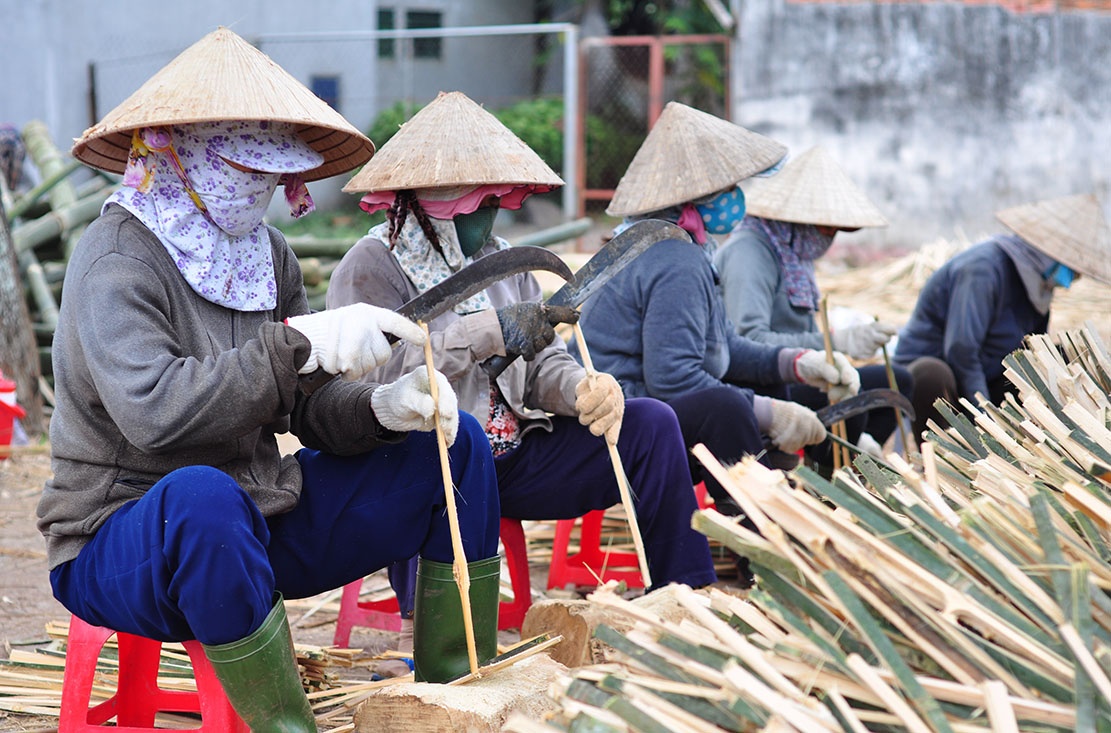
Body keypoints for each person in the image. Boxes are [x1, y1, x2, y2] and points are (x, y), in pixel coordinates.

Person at [37, 28, 502, 730]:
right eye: (243, 169)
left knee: (455, 443)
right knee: (202, 496)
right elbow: (155, 412)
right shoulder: (115, 257)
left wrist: (381, 408)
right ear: (178, 152)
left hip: (254, 519)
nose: (261, 190)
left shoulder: (267, 254)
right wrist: (293, 347)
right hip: (122, 537)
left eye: (270, 173)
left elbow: (307, 411)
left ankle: (457, 694)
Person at [327, 92, 719, 666]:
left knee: (652, 423)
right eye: (480, 205)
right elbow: (378, 383)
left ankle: (684, 599)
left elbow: (541, 363)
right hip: (436, 468)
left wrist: (581, 387)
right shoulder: (370, 266)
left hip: (518, 456)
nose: (491, 217)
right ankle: (435, 639)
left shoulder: (504, 261)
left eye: (496, 203)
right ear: (438, 204)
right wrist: (484, 332)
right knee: (439, 442)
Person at [571, 102, 860, 517]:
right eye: (726, 191)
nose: (735, 199)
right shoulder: (673, 259)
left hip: (638, 406)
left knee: (760, 390)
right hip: (614, 421)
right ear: (695, 201)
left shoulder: (682, 248)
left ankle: (771, 503)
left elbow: (724, 345)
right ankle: (757, 530)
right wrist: (771, 414)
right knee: (726, 410)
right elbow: (674, 379)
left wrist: (798, 363)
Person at [714, 146, 914, 462]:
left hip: (798, 372)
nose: (830, 237)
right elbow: (748, 339)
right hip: (762, 381)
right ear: (797, 220)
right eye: (825, 228)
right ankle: (826, 473)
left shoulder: (793, 253)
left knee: (897, 382)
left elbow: (805, 329)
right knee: (848, 395)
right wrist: (836, 343)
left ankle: (859, 461)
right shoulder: (749, 253)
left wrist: (834, 346)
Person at [893, 193, 1111, 440]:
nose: (1073, 279)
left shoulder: (1038, 284)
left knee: (1061, 359)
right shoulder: (983, 270)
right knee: (932, 374)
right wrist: (985, 417)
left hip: (985, 377)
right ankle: (941, 448)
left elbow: (1031, 350)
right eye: (1071, 269)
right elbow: (962, 351)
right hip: (943, 380)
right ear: (1049, 254)